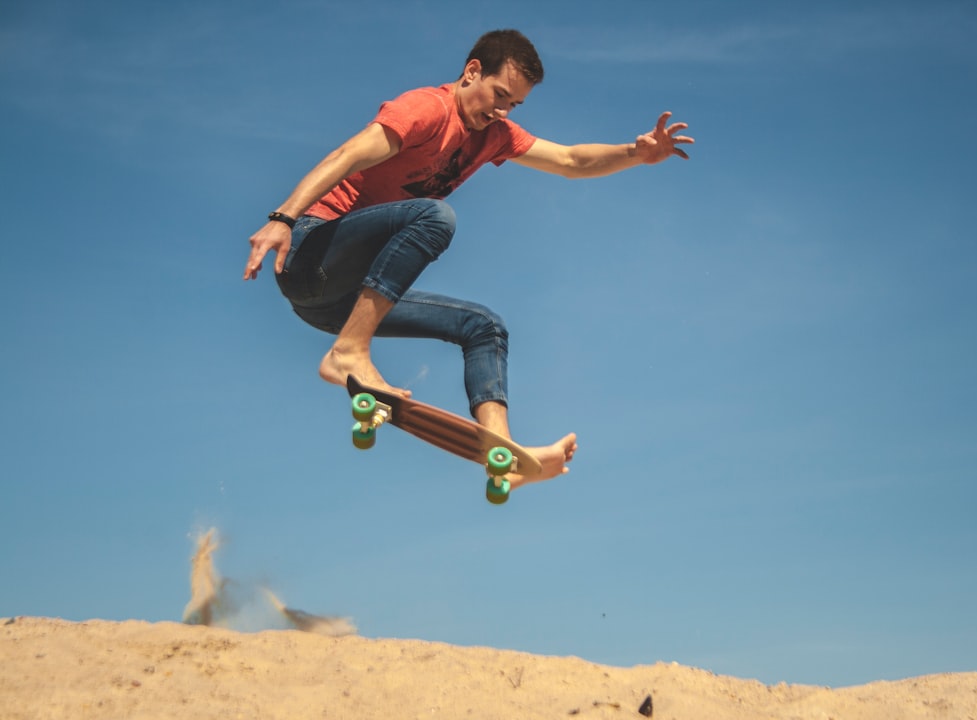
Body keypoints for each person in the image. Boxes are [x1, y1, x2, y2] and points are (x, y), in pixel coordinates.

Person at [244, 29, 693, 491]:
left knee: (484, 327)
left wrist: (635, 154)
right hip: (310, 254)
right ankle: (349, 352)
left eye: (513, 105)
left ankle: (501, 454)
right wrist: (283, 217)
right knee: (435, 217)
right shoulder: (427, 110)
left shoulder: (494, 136)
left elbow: (570, 160)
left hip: (336, 304)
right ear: (472, 72)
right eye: (498, 95)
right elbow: (347, 155)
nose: (500, 111)